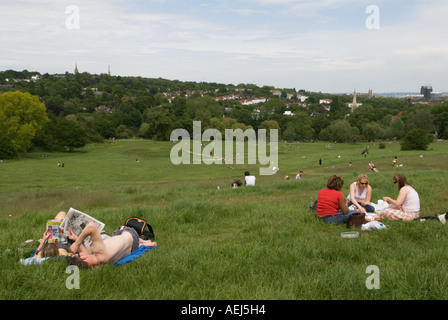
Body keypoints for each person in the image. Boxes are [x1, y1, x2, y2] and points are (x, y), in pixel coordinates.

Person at [68, 222, 157, 268]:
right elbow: (91, 226)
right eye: (79, 253)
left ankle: (143, 243)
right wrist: (77, 243)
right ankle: (144, 242)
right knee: (119, 233)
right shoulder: (100, 252)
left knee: (112, 240)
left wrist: (76, 239)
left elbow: (87, 255)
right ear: (83, 257)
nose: (80, 252)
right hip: (131, 234)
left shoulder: (96, 266)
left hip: (131, 248)